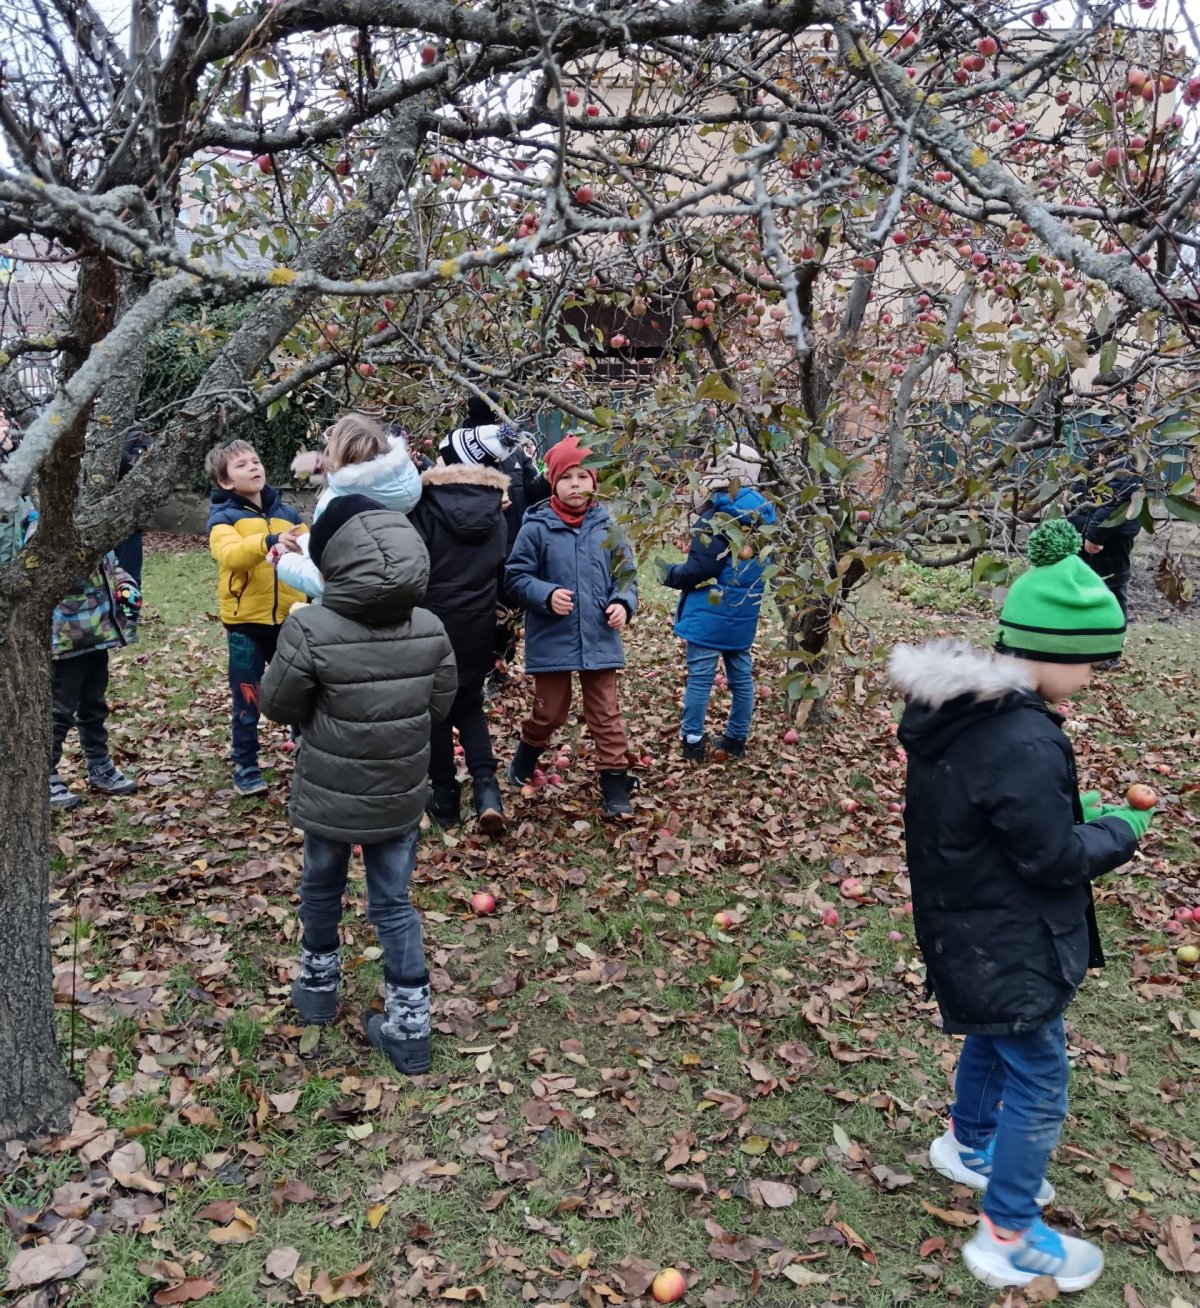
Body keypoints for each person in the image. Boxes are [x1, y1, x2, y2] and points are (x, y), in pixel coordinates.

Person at [888, 519, 1154, 1295]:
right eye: (1093, 664)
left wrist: (1073, 813)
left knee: (994, 1032)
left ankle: (968, 1142)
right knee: (1040, 1077)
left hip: (966, 920)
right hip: (1007, 934)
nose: (1094, 680)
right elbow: (1052, 858)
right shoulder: (1024, 740)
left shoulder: (970, 715)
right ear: (1055, 652)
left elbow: (1001, 818)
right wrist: (1119, 830)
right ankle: (1007, 1232)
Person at [259, 495, 457, 1075]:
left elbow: (277, 704)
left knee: (321, 885)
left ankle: (317, 989)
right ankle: (410, 1027)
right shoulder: (430, 627)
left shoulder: (309, 626)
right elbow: (439, 705)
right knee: (393, 902)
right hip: (400, 790)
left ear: (333, 560)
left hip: (329, 789)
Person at [505, 435, 638, 817]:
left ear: (594, 481)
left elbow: (626, 574)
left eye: (583, 476)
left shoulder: (608, 527)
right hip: (553, 636)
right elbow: (516, 577)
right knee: (551, 712)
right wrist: (545, 595)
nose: (575, 485)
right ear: (553, 481)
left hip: (598, 634)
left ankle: (614, 782)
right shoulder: (537, 527)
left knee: (605, 712)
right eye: (566, 477)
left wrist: (622, 603)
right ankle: (527, 753)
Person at [409, 428, 512, 835]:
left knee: (434, 711)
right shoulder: (496, 509)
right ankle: (487, 791)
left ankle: (446, 796)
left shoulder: (422, 504)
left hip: (431, 621)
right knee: (469, 705)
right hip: (477, 622)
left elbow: (413, 564)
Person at [206, 439, 308, 796]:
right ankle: (246, 766)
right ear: (225, 482)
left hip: (289, 621)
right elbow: (230, 555)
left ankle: (306, 748)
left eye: (255, 460)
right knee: (247, 696)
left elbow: (310, 553)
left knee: (299, 690)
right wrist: (268, 542)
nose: (253, 467)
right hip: (245, 624)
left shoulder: (288, 514)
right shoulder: (223, 518)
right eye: (242, 465)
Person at [662, 442, 775, 762]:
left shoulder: (717, 518)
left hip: (709, 613)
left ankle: (693, 741)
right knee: (741, 678)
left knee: (700, 679)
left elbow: (701, 569)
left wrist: (669, 574)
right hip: (743, 613)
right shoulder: (764, 517)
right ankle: (736, 739)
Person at [451, 393, 550, 687]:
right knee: (479, 613)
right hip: (476, 550)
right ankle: (473, 674)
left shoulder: (514, 450)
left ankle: (499, 670)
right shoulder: (461, 449)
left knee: (509, 615)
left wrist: (548, 478)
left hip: (514, 549)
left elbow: (533, 492)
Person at [275, 413, 422, 599]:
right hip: (405, 597)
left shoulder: (337, 505)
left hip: (351, 607)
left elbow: (329, 579)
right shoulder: (411, 482)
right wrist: (305, 541)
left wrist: (282, 561)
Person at [50, 551, 142, 809]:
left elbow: (112, 567)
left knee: (94, 706)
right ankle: (44, 773)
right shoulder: (51, 535)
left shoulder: (98, 532)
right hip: (67, 640)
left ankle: (99, 765)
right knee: (59, 712)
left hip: (98, 635)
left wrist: (125, 584)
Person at [114, 429, 151, 587]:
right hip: (89, 520)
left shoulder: (137, 435)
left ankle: (129, 605)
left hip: (126, 519)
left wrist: (112, 450)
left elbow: (139, 466)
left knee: (128, 580)